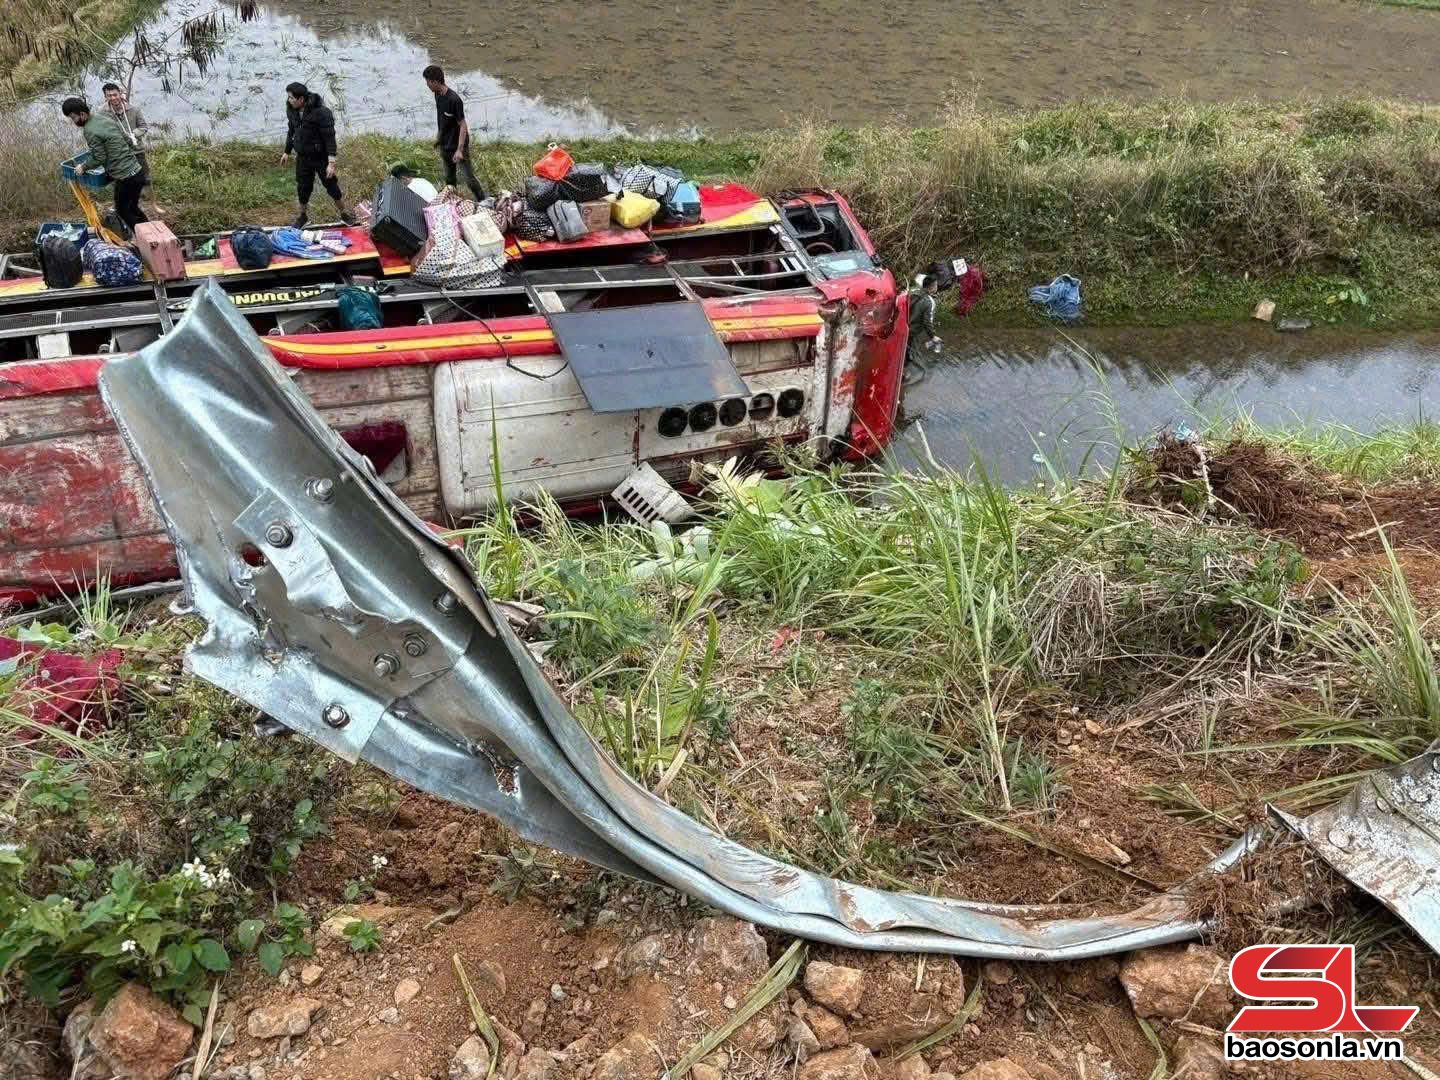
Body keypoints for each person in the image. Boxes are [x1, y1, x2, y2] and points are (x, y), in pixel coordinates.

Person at [61, 97, 148, 232]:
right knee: (132, 207)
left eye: (73, 118)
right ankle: (151, 233)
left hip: (126, 178)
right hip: (137, 172)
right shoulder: (104, 118)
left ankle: (143, 237)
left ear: (82, 114)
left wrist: (83, 167)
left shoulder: (89, 130)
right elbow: (127, 140)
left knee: (123, 210)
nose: (74, 122)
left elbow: (99, 158)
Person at [280, 82, 352, 228]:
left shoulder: (321, 113)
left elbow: (329, 137)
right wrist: (286, 151)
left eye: (291, 98)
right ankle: (303, 217)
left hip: (321, 157)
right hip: (303, 157)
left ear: (301, 99)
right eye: (288, 97)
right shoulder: (292, 110)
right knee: (303, 188)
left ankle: (344, 213)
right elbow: (292, 131)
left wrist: (331, 163)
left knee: (332, 186)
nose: (289, 100)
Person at [422, 65, 485, 201]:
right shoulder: (437, 95)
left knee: (469, 178)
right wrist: (439, 138)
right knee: (450, 178)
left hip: (457, 146)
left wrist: (460, 150)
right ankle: (452, 202)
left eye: (428, 82)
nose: (427, 85)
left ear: (435, 81)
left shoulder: (454, 100)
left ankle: (483, 200)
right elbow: (442, 118)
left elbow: (463, 125)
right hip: (445, 144)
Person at [101, 82, 162, 217]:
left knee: (145, 178)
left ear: (120, 94)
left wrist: (133, 134)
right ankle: (118, 205)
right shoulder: (103, 113)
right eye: (109, 96)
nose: (113, 98)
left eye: (115, 94)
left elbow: (143, 127)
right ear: (105, 97)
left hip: (136, 150)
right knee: (119, 180)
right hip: (118, 153)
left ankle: (154, 204)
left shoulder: (134, 109)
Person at [907, 273, 942, 360]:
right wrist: (933, 336)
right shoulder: (929, 302)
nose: (937, 287)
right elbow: (927, 322)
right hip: (912, 331)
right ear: (932, 287)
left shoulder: (912, 290)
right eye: (936, 285)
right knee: (909, 353)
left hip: (901, 325)